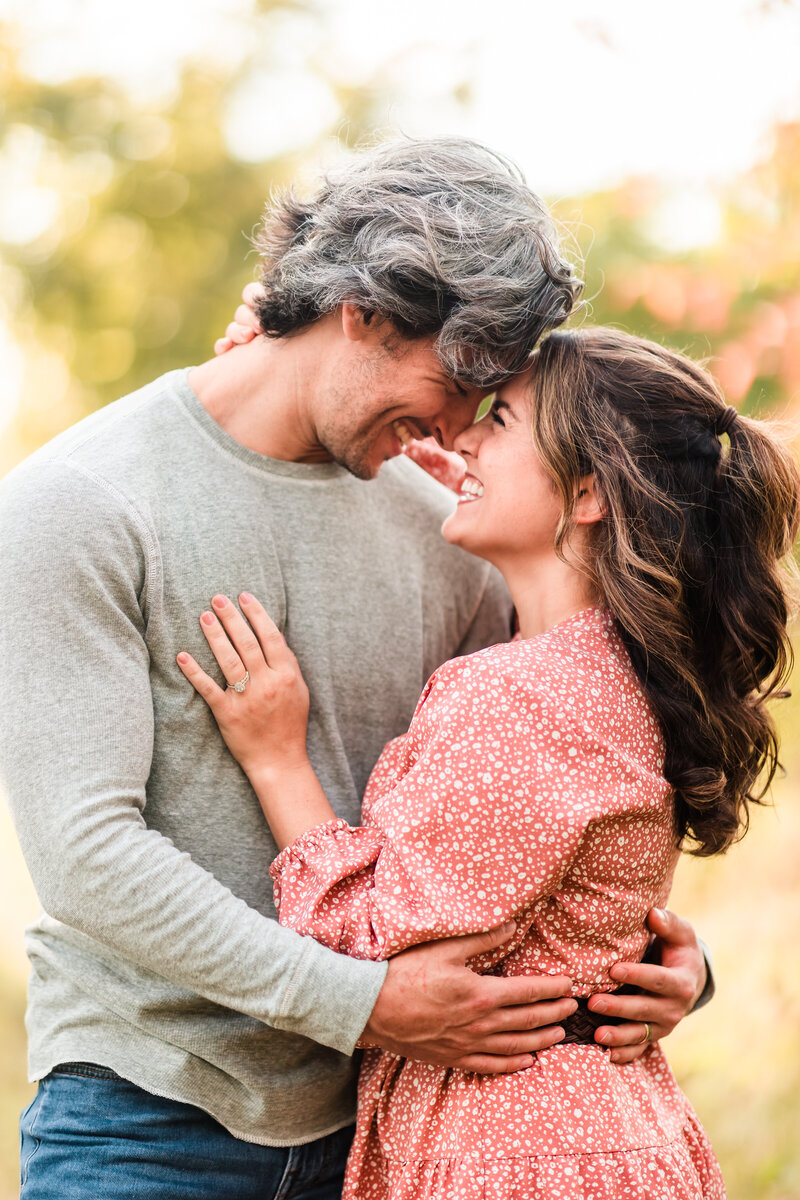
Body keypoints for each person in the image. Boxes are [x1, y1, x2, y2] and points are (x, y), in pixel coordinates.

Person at [0, 138, 708, 1200]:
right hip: (145, 1120)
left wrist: (665, 973)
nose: (460, 427)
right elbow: (89, 857)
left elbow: (560, 807)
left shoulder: (451, 535)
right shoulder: (78, 505)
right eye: (459, 377)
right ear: (364, 311)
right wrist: (359, 1001)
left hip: (398, 1131)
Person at [178, 325, 799, 1199]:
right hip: (611, 1134)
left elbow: (366, 951)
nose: (461, 437)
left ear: (587, 492)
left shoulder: (515, 695)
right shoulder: (617, 674)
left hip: (511, 1153)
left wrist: (276, 755)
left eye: (499, 421)